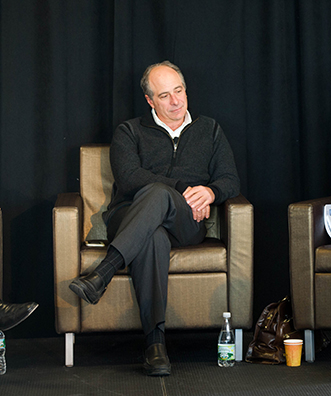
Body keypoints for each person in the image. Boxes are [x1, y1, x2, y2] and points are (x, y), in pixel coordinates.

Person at [69, 61, 240, 376]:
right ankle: (155, 344)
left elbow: (231, 180)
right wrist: (182, 187)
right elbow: (131, 177)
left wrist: (211, 192)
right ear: (150, 100)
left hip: (185, 223)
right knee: (153, 231)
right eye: (164, 96)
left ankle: (102, 274)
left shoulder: (210, 130)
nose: (176, 102)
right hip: (130, 215)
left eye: (179, 91)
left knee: (161, 201)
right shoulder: (129, 131)